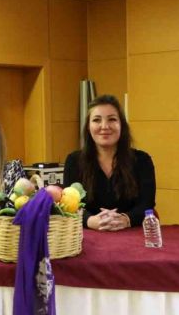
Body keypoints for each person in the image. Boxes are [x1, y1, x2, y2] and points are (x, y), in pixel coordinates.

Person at [63, 94, 156, 230]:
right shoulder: (74, 161)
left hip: (131, 234)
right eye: (96, 120)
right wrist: (89, 220)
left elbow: (146, 204)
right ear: (88, 127)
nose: (104, 126)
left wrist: (125, 219)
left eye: (112, 119)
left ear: (122, 125)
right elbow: (69, 205)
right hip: (87, 235)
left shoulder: (142, 160)